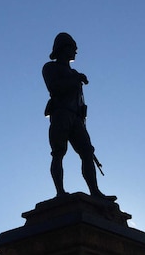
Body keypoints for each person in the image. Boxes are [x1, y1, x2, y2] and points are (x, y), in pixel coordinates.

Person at [43, 33, 114, 200]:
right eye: (72, 48)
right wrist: (75, 79)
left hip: (76, 117)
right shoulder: (50, 67)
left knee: (87, 152)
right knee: (59, 152)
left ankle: (95, 192)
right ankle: (60, 192)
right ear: (62, 49)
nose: (75, 52)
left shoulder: (74, 72)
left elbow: (79, 101)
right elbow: (54, 88)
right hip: (60, 113)